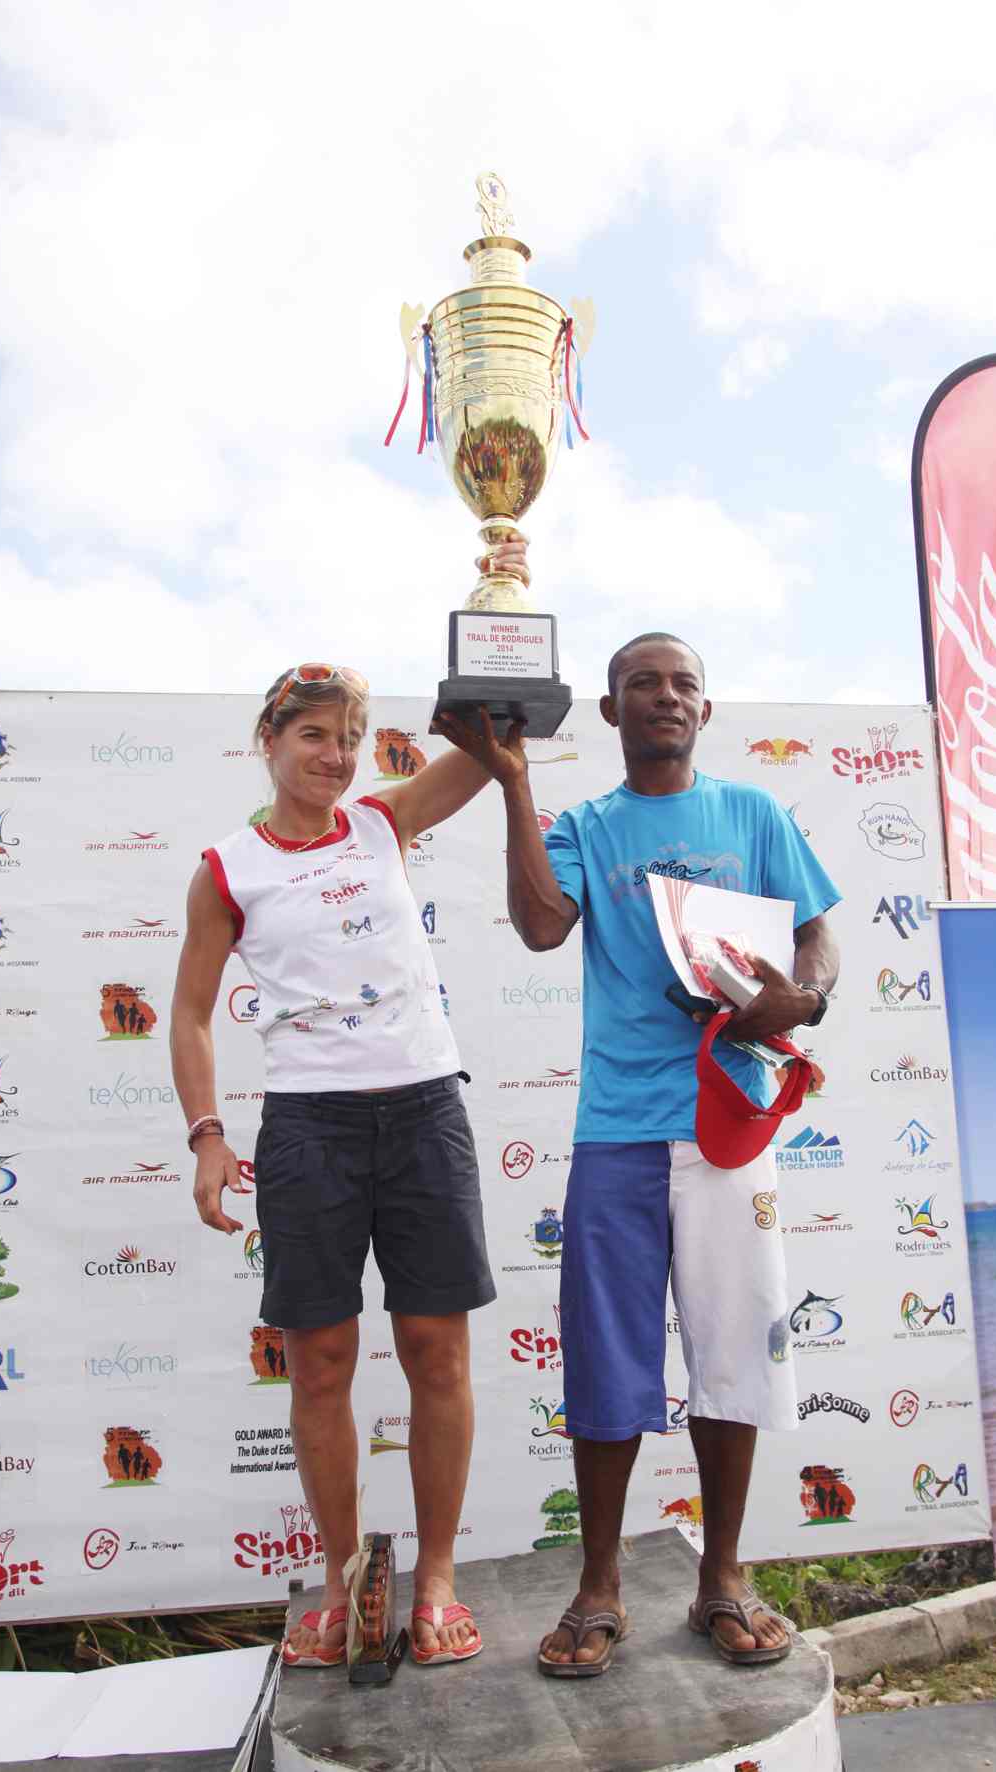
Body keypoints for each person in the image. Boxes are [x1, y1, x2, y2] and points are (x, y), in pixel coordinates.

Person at [438, 632, 840, 1677]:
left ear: (704, 709)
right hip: (615, 1126)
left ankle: (725, 1574)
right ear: (610, 712)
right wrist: (513, 784)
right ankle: (598, 1582)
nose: (665, 697)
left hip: (727, 1117)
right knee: (608, 1358)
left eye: (682, 684)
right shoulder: (582, 823)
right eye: (641, 685)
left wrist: (802, 997)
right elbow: (537, 925)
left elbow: (816, 935)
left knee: (731, 1351)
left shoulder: (751, 814)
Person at [170, 543, 527, 1671]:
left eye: (346, 736)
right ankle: (336, 1580)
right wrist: (209, 1135)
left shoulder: (382, 822)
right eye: (308, 734)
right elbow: (187, 1015)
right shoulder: (226, 866)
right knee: (319, 1361)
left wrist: (499, 592)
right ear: (267, 744)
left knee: (436, 1350)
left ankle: (430, 1578)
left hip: (423, 1107)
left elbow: (479, 753)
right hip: (309, 1131)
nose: (330, 754)